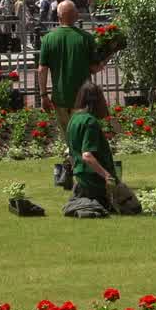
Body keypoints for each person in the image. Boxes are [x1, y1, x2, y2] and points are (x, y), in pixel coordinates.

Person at [37, 0, 97, 185]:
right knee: (83, 138)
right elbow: (94, 68)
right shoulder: (86, 38)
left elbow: (42, 70)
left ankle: (70, 172)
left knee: (69, 138)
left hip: (60, 97)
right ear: (76, 16)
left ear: (58, 16)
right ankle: (80, 175)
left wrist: (43, 95)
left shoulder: (49, 38)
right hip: (83, 99)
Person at [65, 82, 120, 214]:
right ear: (96, 101)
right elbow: (87, 155)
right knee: (129, 206)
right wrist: (107, 176)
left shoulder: (73, 119)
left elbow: (71, 152)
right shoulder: (90, 121)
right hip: (94, 179)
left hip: (81, 178)